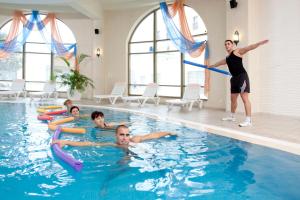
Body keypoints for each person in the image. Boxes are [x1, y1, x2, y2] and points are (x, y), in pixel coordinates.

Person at [209, 39, 269, 127]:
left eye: (228, 44)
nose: (227, 46)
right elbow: (219, 63)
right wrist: (211, 66)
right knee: (233, 100)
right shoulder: (227, 58)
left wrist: (258, 43)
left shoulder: (237, 52)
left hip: (242, 77)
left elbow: (249, 47)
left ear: (232, 45)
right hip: (234, 79)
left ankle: (248, 120)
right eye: (225, 44)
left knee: (244, 98)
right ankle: (232, 116)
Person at [52, 124, 176, 148]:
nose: (125, 138)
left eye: (127, 135)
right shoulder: (114, 145)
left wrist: (168, 132)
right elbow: (89, 144)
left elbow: (153, 135)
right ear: (116, 136)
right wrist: (66, 141)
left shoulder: (136, 140)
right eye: (122, 135)